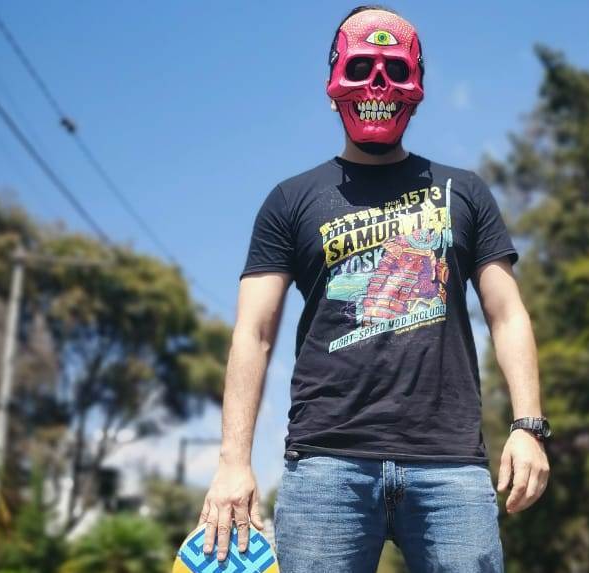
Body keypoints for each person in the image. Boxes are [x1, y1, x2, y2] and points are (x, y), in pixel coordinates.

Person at [195, 5, 550, 572]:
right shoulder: (290, 200)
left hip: (450, 465)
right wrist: (233, 462)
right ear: (334, 80)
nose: (378, 85)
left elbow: (507, 315)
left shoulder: (466, 191)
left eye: (395, 69)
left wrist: (529, 427)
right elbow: (253, 333)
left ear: (418, 84)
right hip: (326, 464)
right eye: (362, 67)